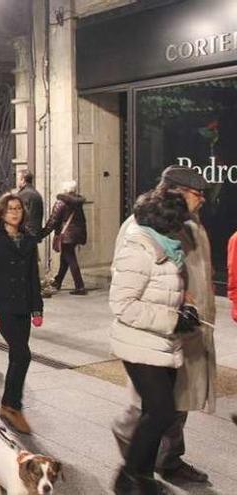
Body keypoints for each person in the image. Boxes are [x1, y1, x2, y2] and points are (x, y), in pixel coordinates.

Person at [112, 165, 217, 487]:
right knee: (156, 408)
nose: (202, 202)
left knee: (174, 405)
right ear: (176, 192)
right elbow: (125, 299)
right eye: (198, 195)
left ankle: (162, 463)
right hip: (155, 333)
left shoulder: (188, 223)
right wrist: (174, 317)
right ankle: (135, 468)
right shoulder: (141, 230)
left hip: (182, 328)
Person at [0, 193, 44, 434]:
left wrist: (37, 307)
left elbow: (33, 278)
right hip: (2, 307)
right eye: (10, 209)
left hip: (23, 307)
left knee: (17, 357)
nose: (15, 212)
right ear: (2, 213)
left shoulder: (28, 240)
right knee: (22, 354)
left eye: (18, 208)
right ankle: (12, 405)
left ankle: (8, 407)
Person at [38, 180, 88, 295]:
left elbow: (53, 220)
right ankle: (58, 281)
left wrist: (42, 233)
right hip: (75, 235)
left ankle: (80, 286)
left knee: (70, 259)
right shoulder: (78, 203)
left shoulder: (61, 203)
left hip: (66, 235)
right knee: (64, 259)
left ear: (65, 190)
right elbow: (82, 221)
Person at [16, 170, 44, 236]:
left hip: (25, 234)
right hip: (35, 233)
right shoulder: (36, 194)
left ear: (23, 180)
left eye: (17, 179)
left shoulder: (23, 195)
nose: (16, 182)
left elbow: (20, 215)